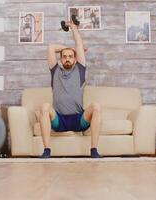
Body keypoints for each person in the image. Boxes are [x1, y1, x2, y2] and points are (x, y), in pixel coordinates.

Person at [39, 21, 102, 159]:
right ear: (60, 59)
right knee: (44, 107)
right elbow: (51, 48)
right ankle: (46, 150)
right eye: (64, 56)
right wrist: (70, 48)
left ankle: (94, 150)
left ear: (75, 59)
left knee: (96, 107)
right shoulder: (55, 70)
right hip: (59, 120)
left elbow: (79, 45)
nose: (67, 59)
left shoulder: (80, 70)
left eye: (71, 56)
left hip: (78, 119)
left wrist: (73, 28)